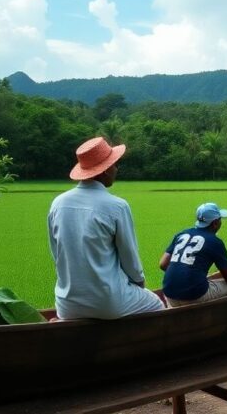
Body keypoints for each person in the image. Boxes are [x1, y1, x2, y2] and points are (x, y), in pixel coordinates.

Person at [47, 136, 164, 319]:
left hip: (67, 304)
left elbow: (57, 254)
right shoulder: (116, 206)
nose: (116, 169)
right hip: (108, 303)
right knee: (156, 303)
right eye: (114, 165)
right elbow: (129, 258)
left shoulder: (58, 203)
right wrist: (138, 283)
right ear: (105, 171)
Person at [159, 202, 227, 307]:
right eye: (220, 219)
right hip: (195, 295)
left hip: (169, 294)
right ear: (215, 223)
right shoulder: (215, 242)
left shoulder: (182, 234)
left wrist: (183, 273)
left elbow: (163, 264)